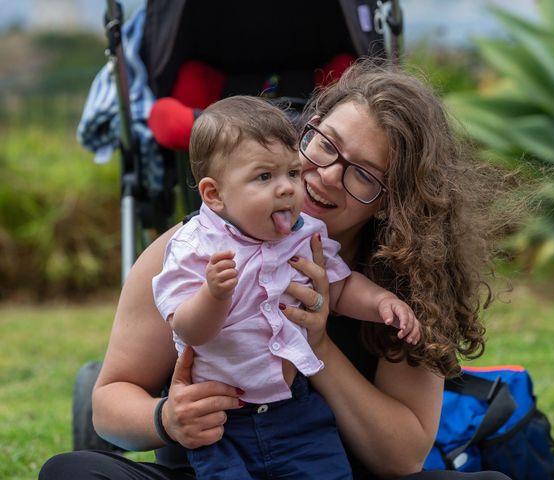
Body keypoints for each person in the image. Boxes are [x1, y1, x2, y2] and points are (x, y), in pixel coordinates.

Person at [39, 60, 511, 480]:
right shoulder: (188, 252)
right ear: (307, 129)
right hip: (213, 467)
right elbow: (108, 406)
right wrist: (165, 418)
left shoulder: (408, 282)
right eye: (325, 144)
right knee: (71, 471)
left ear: (395, 202)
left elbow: (403, 456)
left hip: (335, 469)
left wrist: (317, 346)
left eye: (364, 174)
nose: (325, 174)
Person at [153, 95, 420, 479]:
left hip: (293, 408)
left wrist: (383, 302)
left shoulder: (303, 236)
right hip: (224, 419)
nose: (287, 189)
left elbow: (341, 288)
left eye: (291, 174)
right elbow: (188, 329)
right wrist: (213, 296)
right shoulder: (195, 246)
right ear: (214, 194)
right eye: (264, 177)